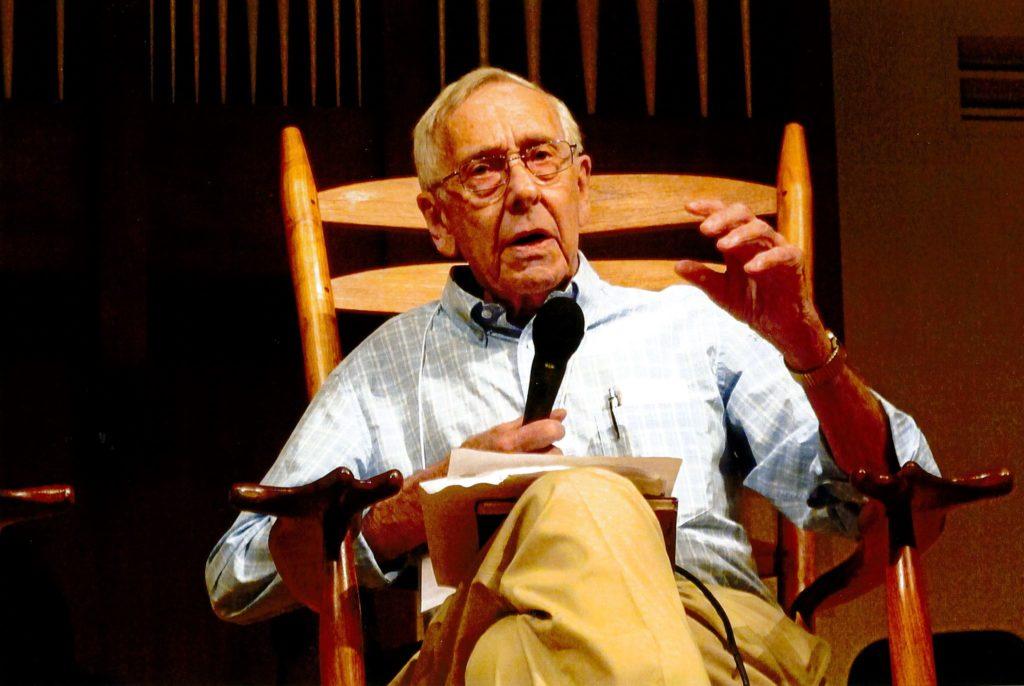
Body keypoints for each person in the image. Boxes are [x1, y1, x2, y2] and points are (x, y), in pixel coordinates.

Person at [206, 67, 936, 684]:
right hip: (478, 632)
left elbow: (897, 481)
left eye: (541, 157)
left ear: (581, 184)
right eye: (485, 170)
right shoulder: (385, 369)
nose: (523, 190)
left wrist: (807, 344)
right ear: (437, 219)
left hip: (709, 633)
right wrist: (418, 502)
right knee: (578, 502)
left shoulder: (693, 327)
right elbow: (234, 572)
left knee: (512, 661)